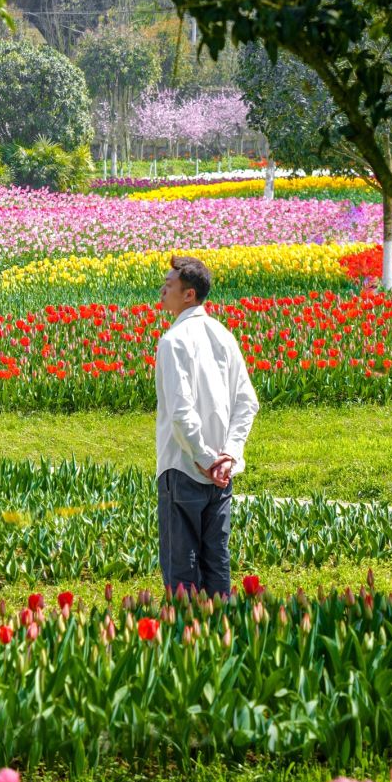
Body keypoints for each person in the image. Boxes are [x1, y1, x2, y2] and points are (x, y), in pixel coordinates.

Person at [155, 254, 259, 598]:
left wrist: (204, 459)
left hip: (183, 467)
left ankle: (188, 643)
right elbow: (247, 401)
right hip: (222, 474)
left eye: (169, 285)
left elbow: (181, 413)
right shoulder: (224, 336)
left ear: (189, 295)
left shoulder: (174, 341)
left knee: (182, 569)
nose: (162, 290)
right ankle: (223, 638)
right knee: (218, 564)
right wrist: (228, 455)